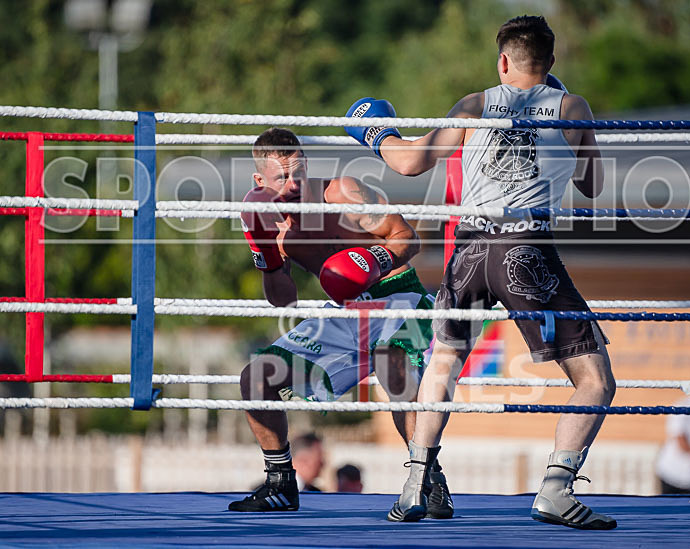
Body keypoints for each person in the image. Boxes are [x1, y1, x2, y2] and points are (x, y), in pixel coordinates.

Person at [345, 15, 616, 529]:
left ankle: (415, 482)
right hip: (525, 249)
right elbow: (592, 186)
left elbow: (409, 163)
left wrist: (376, 132)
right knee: (595, 380)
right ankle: (556, 490)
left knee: (443, 363)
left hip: (468, 250)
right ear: (551, 63)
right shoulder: (570, 106)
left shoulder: (474, 104)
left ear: (503, 61)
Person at [228, 128, 453, 518]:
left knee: (390, 361)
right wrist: (264, 254)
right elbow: (285, 299)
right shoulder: (271, 227)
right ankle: (281, 482)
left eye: (299, 172)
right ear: (259, 181)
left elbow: (407, 237)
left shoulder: (343, 192)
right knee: (256, 377)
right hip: (347, 313)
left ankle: (428, 479)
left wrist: (372, 261)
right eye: (283, 178)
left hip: (398, 295)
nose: (294, 183)